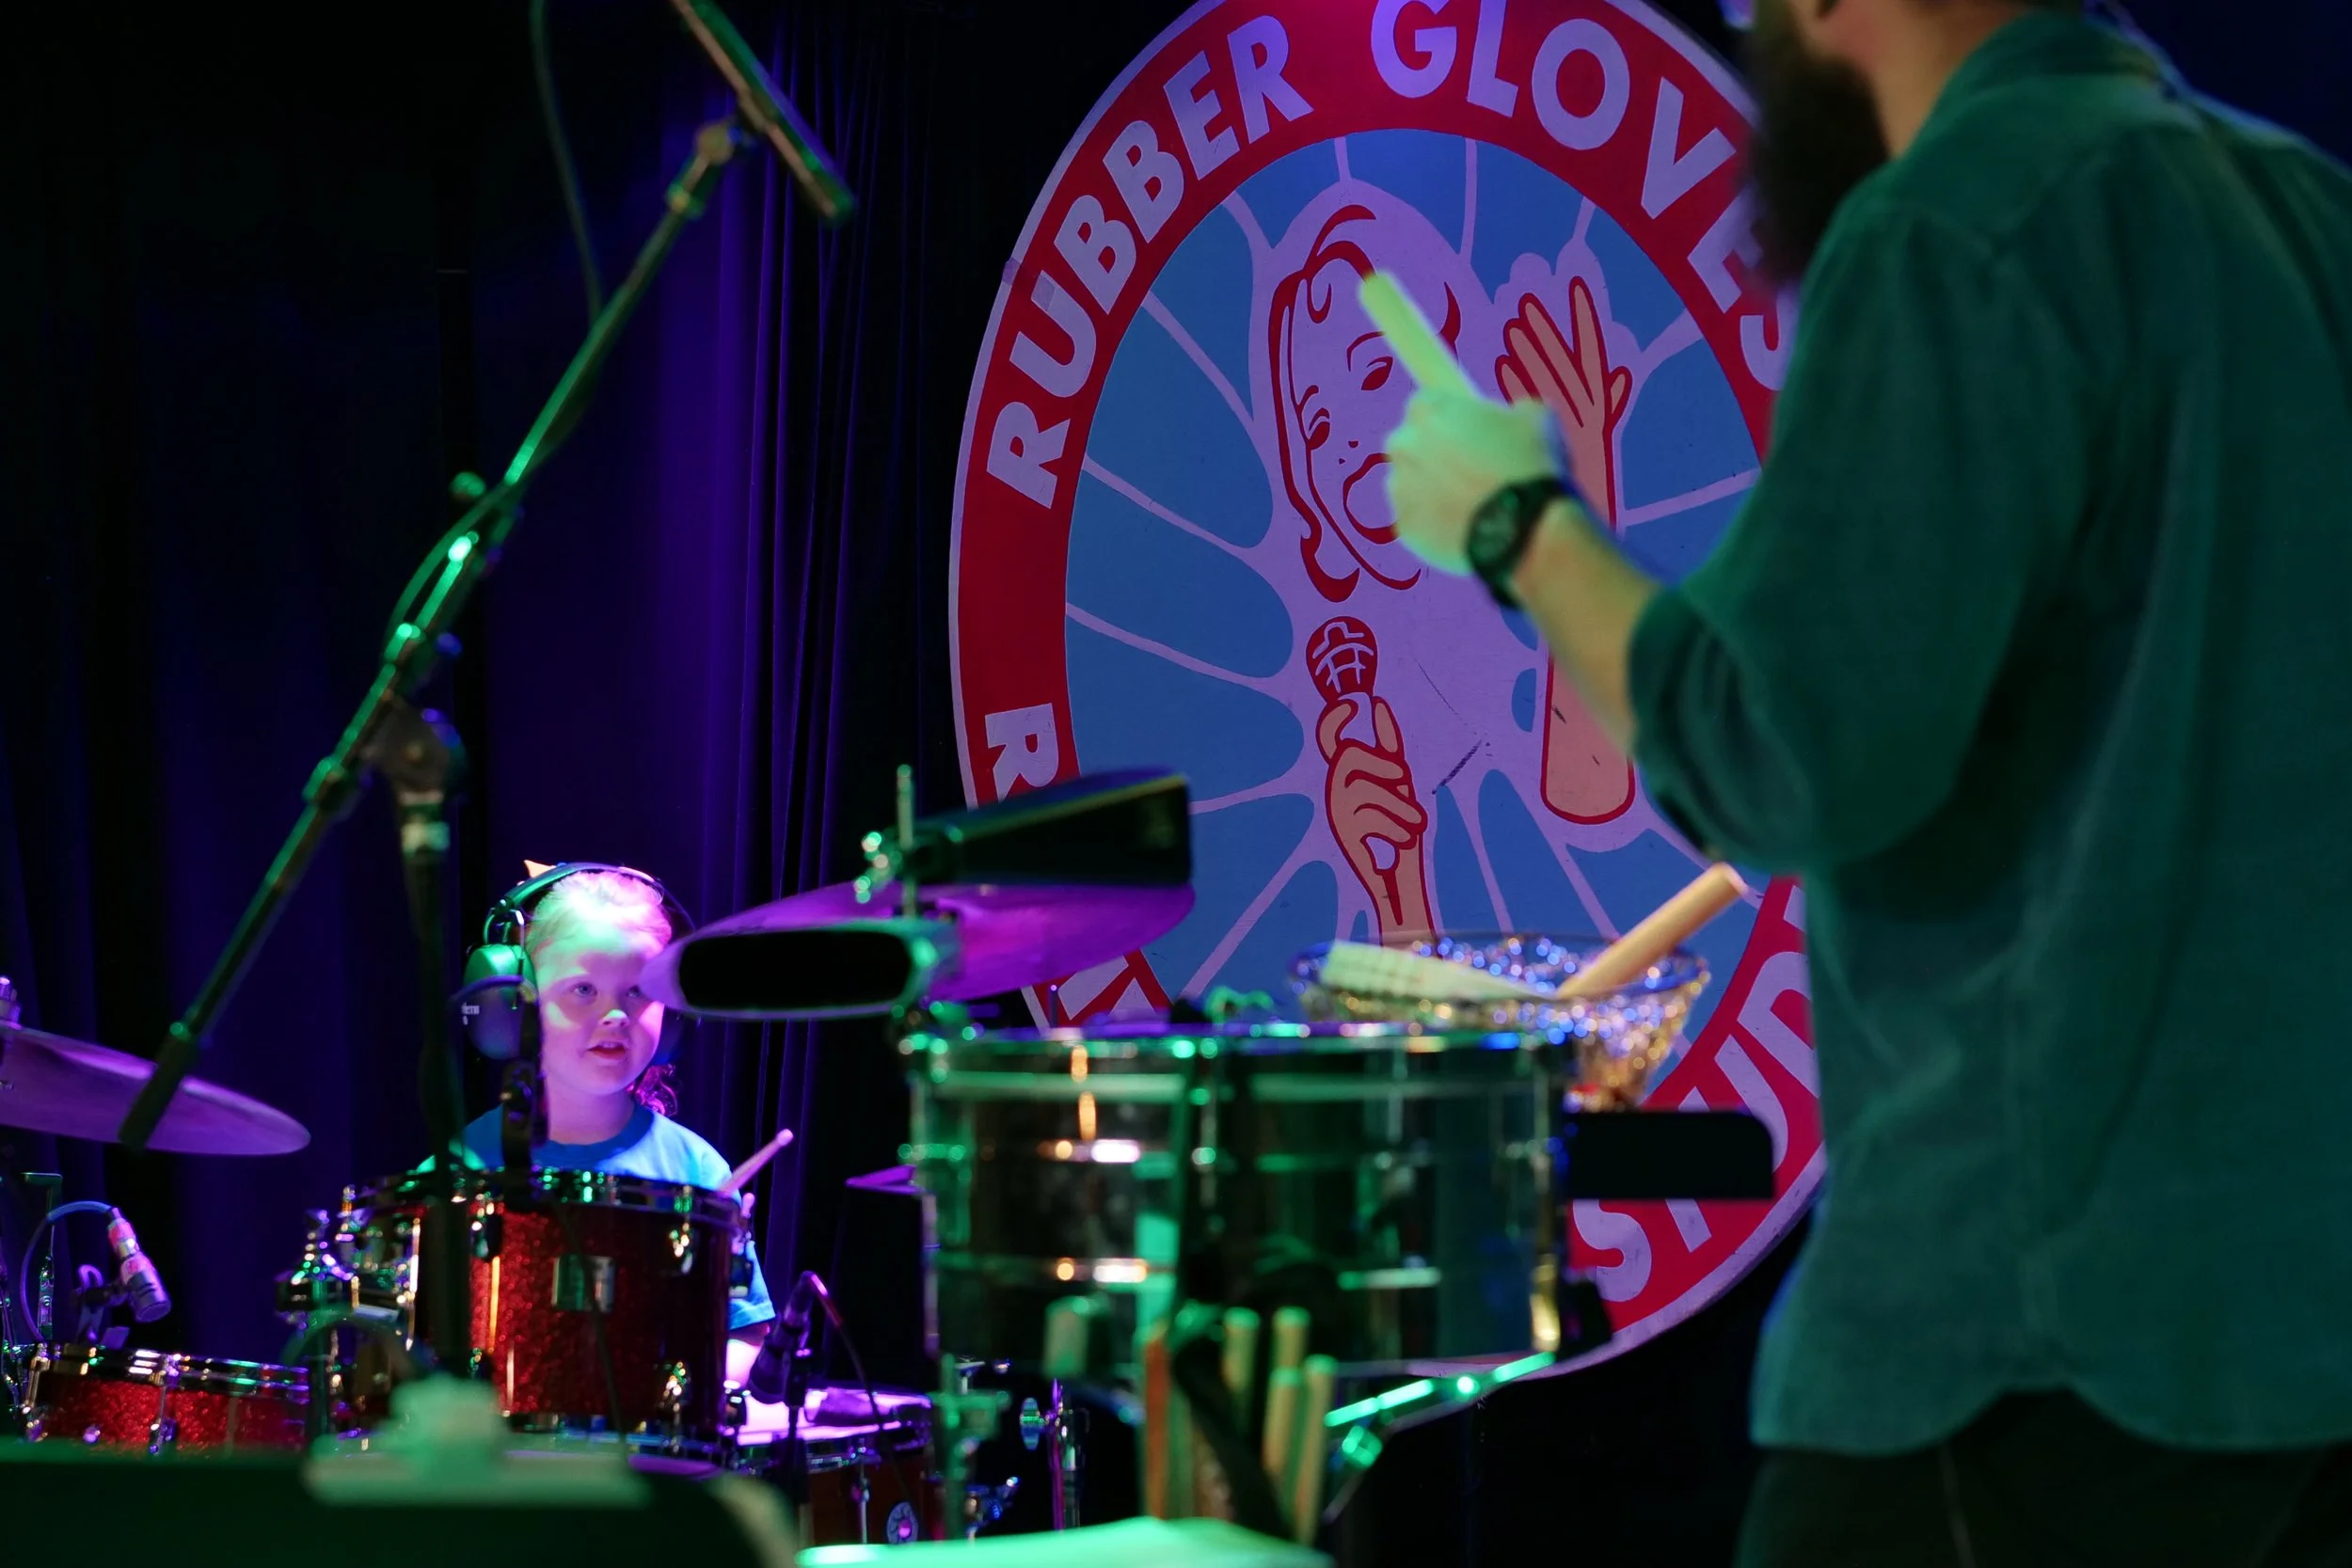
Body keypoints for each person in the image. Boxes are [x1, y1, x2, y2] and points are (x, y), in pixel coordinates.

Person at [1379, 0, 2352, 1560]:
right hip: (2302, 1348)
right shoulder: (2306, 210)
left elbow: (1779, 746)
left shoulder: (1956, 225)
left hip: (2029, 1349)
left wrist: (1518, 526)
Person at [455, 864, 776, 1386]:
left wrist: (669, 1388)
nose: (615, 1015)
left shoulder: (696, 1171)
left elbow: (744, 1336)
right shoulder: (462, 1166)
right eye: (583, 989)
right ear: (514, 1007)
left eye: (638, 990)